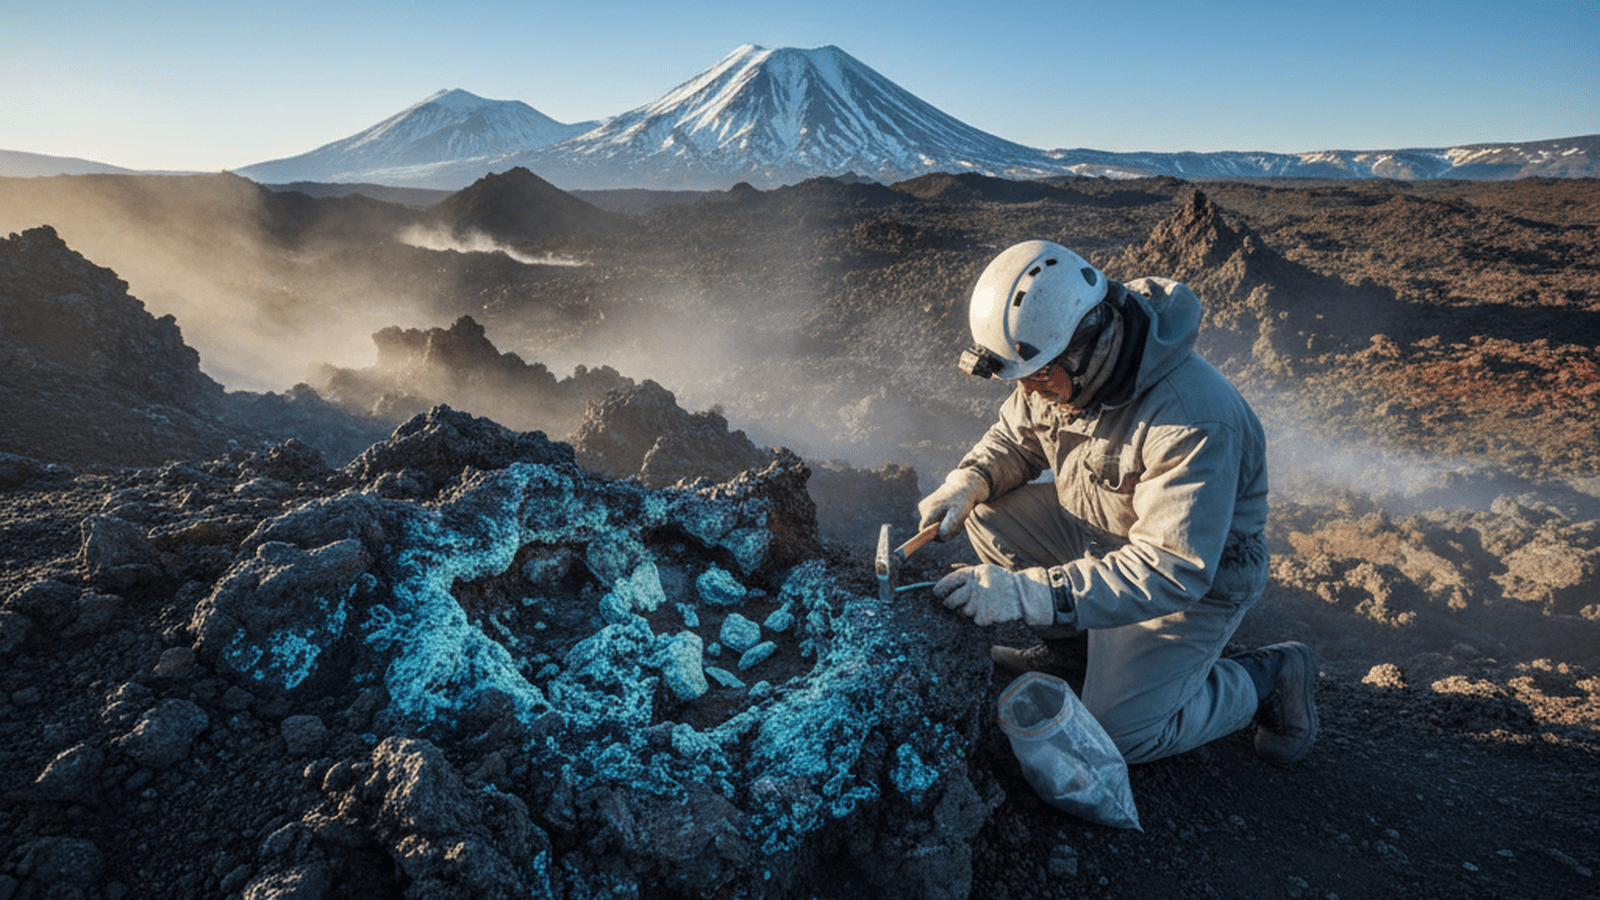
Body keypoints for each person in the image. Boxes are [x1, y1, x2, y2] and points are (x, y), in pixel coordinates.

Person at [919, 238, 1317, 766]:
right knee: (990, 517)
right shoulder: (1056, 366)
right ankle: (1079, 658)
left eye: (1039, 379)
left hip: (1194, 581)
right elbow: (1017, 438)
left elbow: (1171, 569)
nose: (1033, 393)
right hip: (1103, 536)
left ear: (1085, 347)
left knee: (1116, 738)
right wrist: (969, 480)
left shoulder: (1191, 417)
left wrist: (1030, 596)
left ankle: (1265, 676)